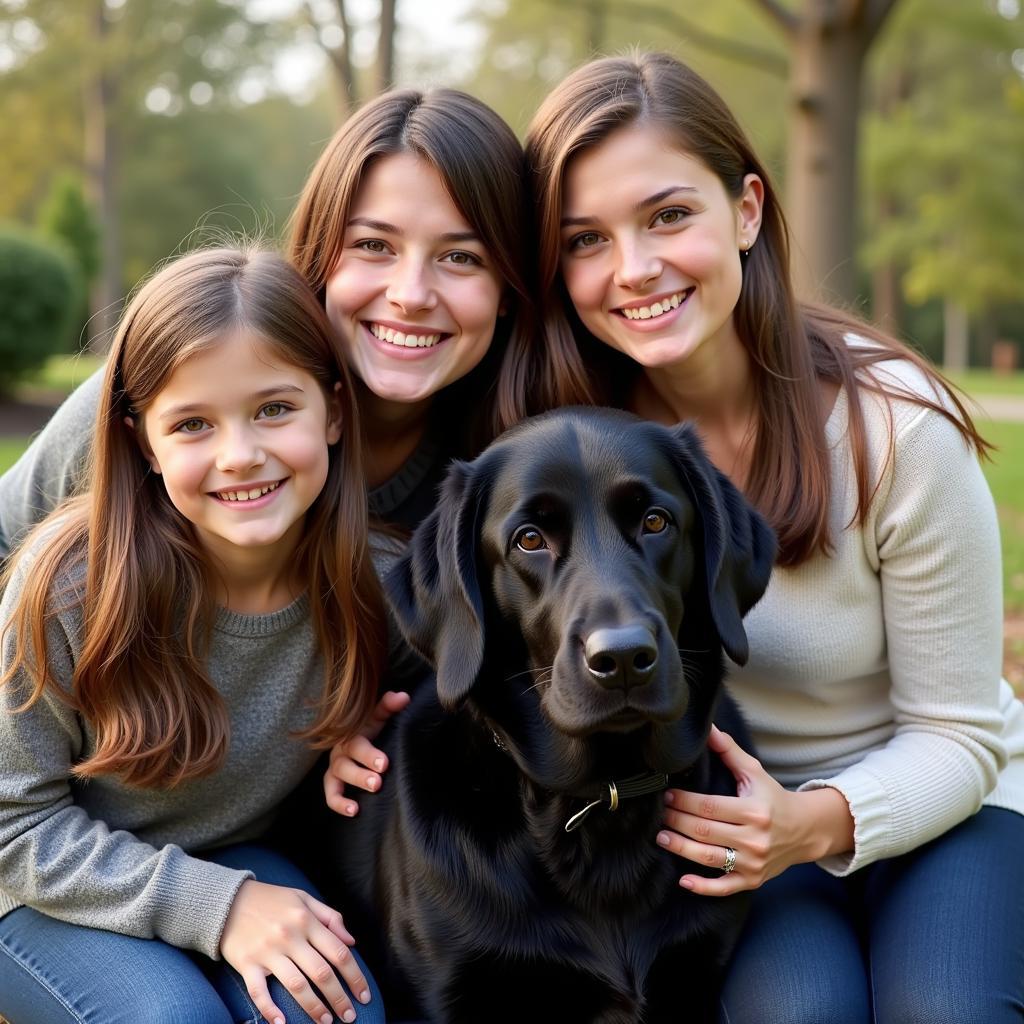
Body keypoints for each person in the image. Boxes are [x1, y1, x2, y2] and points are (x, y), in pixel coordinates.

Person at [519, 51, 1024, 1023]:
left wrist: (812, 822)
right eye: (586, 238)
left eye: (668, 215)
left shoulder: (892, 428)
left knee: (942, 1011)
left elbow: (958, 734)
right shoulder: (570, 444)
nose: (635, 268)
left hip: (950, 808)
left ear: (746, 210)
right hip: (734, 821)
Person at [0, 245, 390, 1024]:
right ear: (145, 443)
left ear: (335, 411)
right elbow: (12, 824)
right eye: (193, 424)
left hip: (224, 855)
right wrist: (218, 907)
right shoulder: (68, 587)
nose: (240, 455)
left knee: (338, 1010)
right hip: (38, 884)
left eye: (275, 409)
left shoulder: (376, 581)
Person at [0, 86, 555, 555]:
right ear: (319, 252)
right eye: (373, 245)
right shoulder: (176, 391)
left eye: (461, 257)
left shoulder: (528, 461)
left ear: (508, 286)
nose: (410, 295)